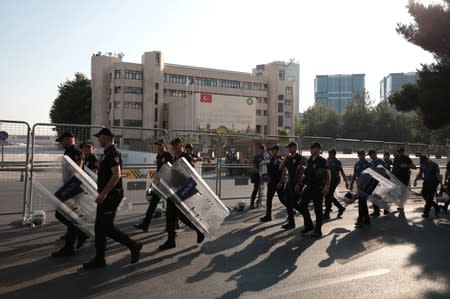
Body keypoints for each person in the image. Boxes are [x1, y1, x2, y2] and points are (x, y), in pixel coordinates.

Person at [83, 128, 142, 269]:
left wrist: (103, 193)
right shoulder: (106, 153)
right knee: (99, 227)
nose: (98, 140)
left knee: (107, 227)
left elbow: (116, 175)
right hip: (105, 195)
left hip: (110, 196)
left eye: (100, 137)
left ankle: (134, 245)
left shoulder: (113, 154)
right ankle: (99, 258)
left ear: (107, 137)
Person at [158, 137, 205, 250]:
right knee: (172, 215)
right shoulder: (176, 157)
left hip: (183, 190)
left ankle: (197, 231)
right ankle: (171, 239)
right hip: (175, 190)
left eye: (177, 147)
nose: (175, 149)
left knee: (179, 215)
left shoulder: (185, 157)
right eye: (173, 148)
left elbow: (189, 173)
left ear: (181, 146)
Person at [52, 132, 89, 257]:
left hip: (74, 189)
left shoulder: (76, 152)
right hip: (70, 188)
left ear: (68, 139)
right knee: (69, 216)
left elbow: (77, 172)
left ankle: (71, 245)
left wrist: (67, 189)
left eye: (62, 141)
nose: (61, 143)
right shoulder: (69, 152)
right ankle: (77, 237)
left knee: (64, 215)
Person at [134, 139, 173, 232]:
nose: (158, 147)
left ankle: (173, 225)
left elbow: (169, 169)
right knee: (153, 204)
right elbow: (158, 170)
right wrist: (154, 182)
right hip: (159, 183)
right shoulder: (158, 156)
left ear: (164, 145)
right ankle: (145, 225)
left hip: (167, 183)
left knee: (171, 205)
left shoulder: (168, 155)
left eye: (160, 145)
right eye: (157, 145)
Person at [298, 142, 330, 238]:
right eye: (311, 148)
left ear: (318, 149)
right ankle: (308, 225)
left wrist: (327, 186)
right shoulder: (310, 160)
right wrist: (300, 183)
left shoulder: (323, 161)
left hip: (318, 187)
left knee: (318, 210)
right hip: (309, 187)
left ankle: (318, 230)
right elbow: (306, 175)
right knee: (302, 205)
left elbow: (328, 173)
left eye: (313, 148)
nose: (311, 150)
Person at [279, 142, 305, 230]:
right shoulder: (288, 158)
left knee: (294, 203)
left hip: (296, 183)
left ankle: (305, 215)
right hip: (289, 183)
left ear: (294, 147)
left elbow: (302, 172)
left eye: (290, 147)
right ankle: (291, 222)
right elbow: (281, 167)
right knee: (287, 202)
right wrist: (285, 158)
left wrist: (299, 183)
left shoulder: (299, 158)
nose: (288, 149)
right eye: (288, 148)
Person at [260, 144, 287, 222]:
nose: (272, 151)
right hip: (271, 182)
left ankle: (291, 210)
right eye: (272, 150)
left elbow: (284, 171)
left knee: (282, 199)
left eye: (274, 150)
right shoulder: (271, 159)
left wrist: (281, 182)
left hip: (278, 183)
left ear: (277, 151)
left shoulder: (281, 159)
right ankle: (268, 216)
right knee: (269, 199)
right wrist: (268, 179)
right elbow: (269, 171)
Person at [323, 149, 348, 221]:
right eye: (329, 153)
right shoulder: (327, 160)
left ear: (334, 154)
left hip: (335, 180)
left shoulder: (337, 162)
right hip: (328, 180)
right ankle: (340, 208)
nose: (330, 155)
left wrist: (346, 182)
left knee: (328, 195)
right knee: (329, 195)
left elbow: (342, 172)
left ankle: (327, 213)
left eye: (331, 154)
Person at [350, 150, 372, 228]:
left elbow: (372, 176)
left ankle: (360, 220)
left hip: (366, 186)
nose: (361, 156)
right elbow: (355, 174)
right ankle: (367, 219)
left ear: (364, 155)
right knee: (363, 203)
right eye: (359, 155)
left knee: (361, 203)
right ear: (358, 155)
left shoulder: (368, 164)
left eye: (362, 154)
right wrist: (351, 184)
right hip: (359, 186)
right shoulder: (357, 164)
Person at [368, 150, 389, 217]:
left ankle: (386, 209)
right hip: (374, 181)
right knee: (373, 196)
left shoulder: (381, 162)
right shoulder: (370, 163)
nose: (371, 156)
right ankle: (376, 211)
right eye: (370, 155)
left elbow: (386, 171)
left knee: (383, 195)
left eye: (372, 154)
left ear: (375, 154)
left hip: (382, 181)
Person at [249, 144, 269, 209]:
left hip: (264, 175)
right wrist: (259, 172)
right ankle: (252, 203)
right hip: (257, 175)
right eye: (263, 149)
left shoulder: (266, 156)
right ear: (259, 150)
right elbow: (254, 167)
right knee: (256, 189)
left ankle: (259, 202)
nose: (264, 151)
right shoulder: (256, 157)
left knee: (262, 189)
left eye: (265, 149)